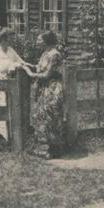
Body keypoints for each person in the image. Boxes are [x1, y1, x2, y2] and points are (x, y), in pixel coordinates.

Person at [29, 30, 66, 158]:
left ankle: (56, 149)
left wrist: (32, 74)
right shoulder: (45, 53)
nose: (37, 42)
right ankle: (46, 147)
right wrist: (29, 65)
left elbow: (47, 74)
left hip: (52, 88)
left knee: (52, 117)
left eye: (39, 40)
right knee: (43, 117)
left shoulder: (55, 54)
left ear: (46, 41)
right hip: (43, 88)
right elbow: (42, 67)